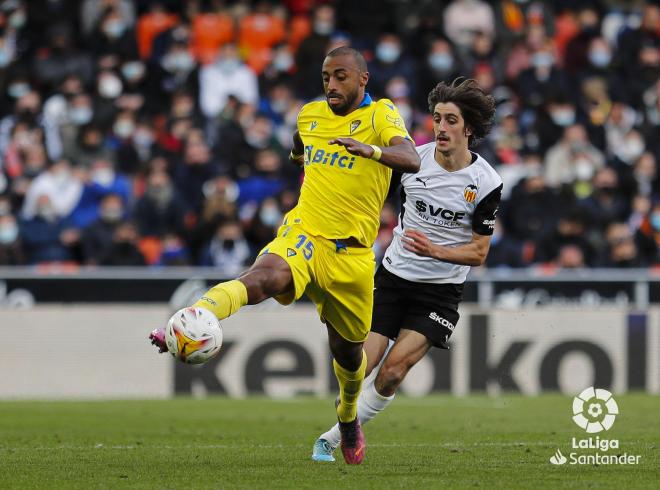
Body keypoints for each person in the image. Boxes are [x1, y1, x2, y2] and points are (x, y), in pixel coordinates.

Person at [149, 46, 421, 465]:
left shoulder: (380, 115)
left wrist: (372, 152)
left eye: (341, 76)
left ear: (363, 80)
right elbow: (300, 144)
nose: (331, 84)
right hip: (305, 234)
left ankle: (348, 418)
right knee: (265, 276)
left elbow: (411, 158)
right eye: (327, 76)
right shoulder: (310, 116)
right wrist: (300, 156)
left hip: (352, 257)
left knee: (349, 356)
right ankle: (196, 316)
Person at [310, 78, 502, 462]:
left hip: (440, 292)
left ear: (469, 129)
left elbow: (479, 254)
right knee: (358, 365)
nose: (441, 128)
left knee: (392, 373)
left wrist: (435, 250)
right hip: (393, 280)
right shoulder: (414, 161)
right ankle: (349, 421)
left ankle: (332, 438)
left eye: (451, 120)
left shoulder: (486, 183)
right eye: (437, 118)